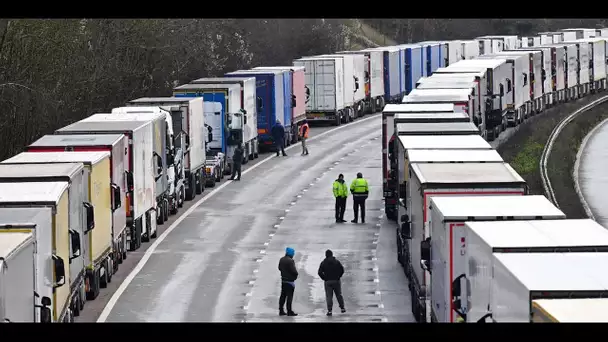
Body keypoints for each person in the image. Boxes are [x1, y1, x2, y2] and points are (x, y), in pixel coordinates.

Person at [318, 249, 346, 316]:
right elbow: (342, 270)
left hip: (328, 282)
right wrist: (339, 276)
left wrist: (324, 278)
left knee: (329, 296)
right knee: (339, 295)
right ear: (332, 254)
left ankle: (330, 311)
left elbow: (319, 272)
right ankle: (342, 308)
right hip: (336, 281)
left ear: (326, 255)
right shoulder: (336, 262)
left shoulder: (323, 262)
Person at [278, 247, 298, 316]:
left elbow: (279, 268)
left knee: (283, 296)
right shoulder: (290, 261)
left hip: (283, 280)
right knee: (289, 296)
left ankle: (281, 310)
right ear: (291, 253)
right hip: (290, 281)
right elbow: (294, 271)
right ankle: (289, 311)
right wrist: (295, 276)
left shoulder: (282, 259)